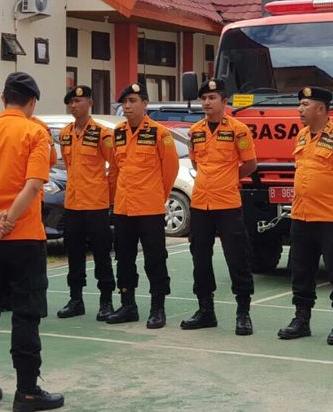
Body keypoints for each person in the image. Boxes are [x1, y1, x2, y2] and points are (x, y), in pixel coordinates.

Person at [0, 72, 64, 410]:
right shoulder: (36, 132)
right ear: (32, 102)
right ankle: (28, 390)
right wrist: (7, 223)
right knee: (25, 313)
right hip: (25, 237)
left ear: (3, 99)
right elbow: (34, 184)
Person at [277, 87, 333, 345]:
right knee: (301, 271)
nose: (299, 109)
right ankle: (301, 320)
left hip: (332, 220)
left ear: (320, 108)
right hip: (302, 217)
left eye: (305, 104)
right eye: (300, 104)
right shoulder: (302, 137)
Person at [180, 78, 257, 335]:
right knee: (200, 258)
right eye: (203, 98)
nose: (206, 103)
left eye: (212, 98)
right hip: (201, 203)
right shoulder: (195, 131)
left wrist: (228, 180)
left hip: (228, 203)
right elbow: (195, 163)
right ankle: (205, 310)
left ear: (225, 101)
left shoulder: (238, 130)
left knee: (237, 258)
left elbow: (250, 164)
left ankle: (243, 312)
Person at [106, 83, 179, 329]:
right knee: (124, 258)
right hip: (124, 208)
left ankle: (157, 307)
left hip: (150, 208)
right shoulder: (117, 133)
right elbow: (115, 172)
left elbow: (170, 170)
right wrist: (114, 200)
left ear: (145, 104)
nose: (127, 106)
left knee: (154, 259)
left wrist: (158, 195)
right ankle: (128, 305)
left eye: (133, 101)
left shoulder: (160, 134)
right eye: (124, 102)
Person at [56, 85, 116, 321]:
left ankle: (106, 300)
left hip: (97, 205)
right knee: (74, 253)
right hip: (73, 204)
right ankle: (75, 298)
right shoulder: (65, 134)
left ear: (89, 103)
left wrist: (108, 197)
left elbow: (115, 167)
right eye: (71, 102)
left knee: (101, 253)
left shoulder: (103, 134)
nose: (74, 106)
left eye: (78, 101)